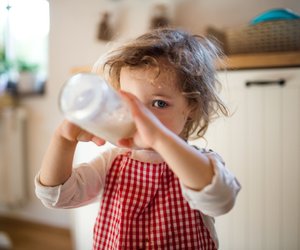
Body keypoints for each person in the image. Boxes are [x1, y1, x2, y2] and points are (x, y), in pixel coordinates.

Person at [35, 28, 241, 250]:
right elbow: (56, 196)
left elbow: (220, 200)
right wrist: (63, 140)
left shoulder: (200, 165)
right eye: (130, 102)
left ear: (191, 106)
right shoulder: (112, 163)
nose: (141, 117)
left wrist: (159, 138)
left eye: (159, 104)